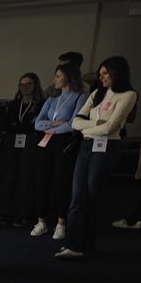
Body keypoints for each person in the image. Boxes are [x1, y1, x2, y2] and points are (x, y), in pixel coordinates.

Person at [56, 56, 138, 260]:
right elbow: (75, 122)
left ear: (117, 73)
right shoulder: (97, 93)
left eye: (105, 73)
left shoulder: (129, 95)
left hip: (107, 147)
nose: (101, 78)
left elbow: (110, 128)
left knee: (92, 195)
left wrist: (89, 126)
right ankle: (73, 244)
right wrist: (94, 125)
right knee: (77, 196)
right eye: (100, 74)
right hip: (86, 145)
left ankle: (86, 242)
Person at [32, 64, 87, 240]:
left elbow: (73, 124)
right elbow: (37, 124)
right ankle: (41, 221)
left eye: (58, 76)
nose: (54, 79)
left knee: (61, 182)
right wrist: (55, 124)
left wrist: (52, 126)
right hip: (46, 142)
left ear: (68, 77)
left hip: (64, 143)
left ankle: (61, 222)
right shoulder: (51, 99)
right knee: (41, 180)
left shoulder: (80, 97)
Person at [0, 72, 44, 227]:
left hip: (30, 144)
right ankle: (7, 212)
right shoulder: (14, 104)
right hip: (12, 143)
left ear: (35, 85)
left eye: (28, 84)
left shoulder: (41, 104)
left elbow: (36, 126)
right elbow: (8, 124)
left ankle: (23, 213)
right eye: (22, 85)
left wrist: (22, 126)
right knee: (9, 177)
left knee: (26, 178)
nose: (24, 88)